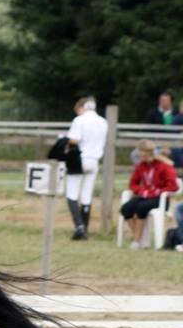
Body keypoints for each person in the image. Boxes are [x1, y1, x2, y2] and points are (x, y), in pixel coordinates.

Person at [120, 140, 180, 249]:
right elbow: (133, 184)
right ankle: (141, 238)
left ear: (147, 154)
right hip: (144, 196)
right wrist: (141, 191)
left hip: (160, 199)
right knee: (126, 209)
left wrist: (156, 192)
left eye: (140, 154)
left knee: (141, 208)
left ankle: (137, 241)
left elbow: (173, 186)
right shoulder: (141, 166)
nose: (138, 156)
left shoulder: (165, 166)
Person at [64, 97, 109, 240]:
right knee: (86, 195)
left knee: (72, 194)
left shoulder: (80, 120)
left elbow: (74, 140)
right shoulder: (103, 122)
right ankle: (85, 228)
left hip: (79, 158)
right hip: (94, 160)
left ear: (82, 107)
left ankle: (79, 227)